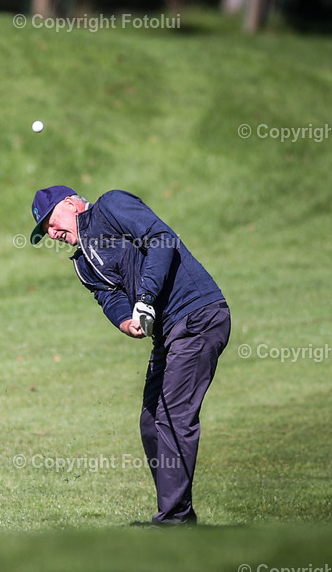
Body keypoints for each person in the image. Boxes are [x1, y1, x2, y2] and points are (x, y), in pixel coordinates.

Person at [28, 186, 230, 525]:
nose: (52, 233)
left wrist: (146, 297)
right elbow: (109, 298)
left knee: (173, 417)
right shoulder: (84, 264)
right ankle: (179, 514)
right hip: (168, 333)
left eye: (50, 222)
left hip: (198, 315)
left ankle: (174, 522)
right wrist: (126, 320)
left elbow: (161, 238)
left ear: (70, 203)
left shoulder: (110, 206)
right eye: (45, 231)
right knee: (152, 422)